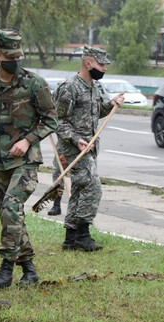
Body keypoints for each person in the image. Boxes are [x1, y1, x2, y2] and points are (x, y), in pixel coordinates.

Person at [0, 29, 57, 288]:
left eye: (19, 56)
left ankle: (6, 269)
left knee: (11, 207)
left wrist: (27, 140)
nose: (16, 61)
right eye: (10, 57)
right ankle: (29, 269)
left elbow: (51, 119)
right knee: (11, 216)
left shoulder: (34, 83)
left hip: (26, 161)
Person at [53, 46, 124, 251]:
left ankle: (71, 238)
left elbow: (98, 111)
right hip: (73, 148)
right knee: (93, 187)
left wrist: (112, 104)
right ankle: (83, 234)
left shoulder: (94, 87)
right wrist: (76, 140)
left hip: (90, 147)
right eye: (101, 65)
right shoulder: (69, 87)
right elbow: (59, 121)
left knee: (80, 188)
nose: (104, 69)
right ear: (88, 63)